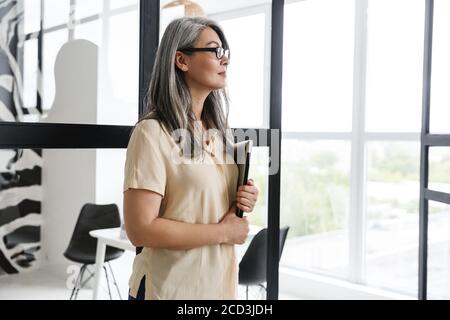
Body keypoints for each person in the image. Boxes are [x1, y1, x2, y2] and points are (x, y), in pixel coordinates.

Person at [123, 16, 259, 300]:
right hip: (168, 290)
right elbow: (140, 229)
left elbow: (204, 203)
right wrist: (223, 233)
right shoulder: (151, 133)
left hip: (217, 289)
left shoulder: (219, 134)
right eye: (215, 50)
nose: (225, 60)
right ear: (182, 60)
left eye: (225, 52)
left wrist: (243, 198)